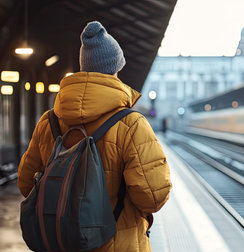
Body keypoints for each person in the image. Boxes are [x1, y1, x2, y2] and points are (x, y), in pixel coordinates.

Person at [17, 21, 172, 252]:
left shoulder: (48, 122)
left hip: (61, 242)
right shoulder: (131, 124)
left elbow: (26, 183)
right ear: (116, 69)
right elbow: (152, 196)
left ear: (83, 68)